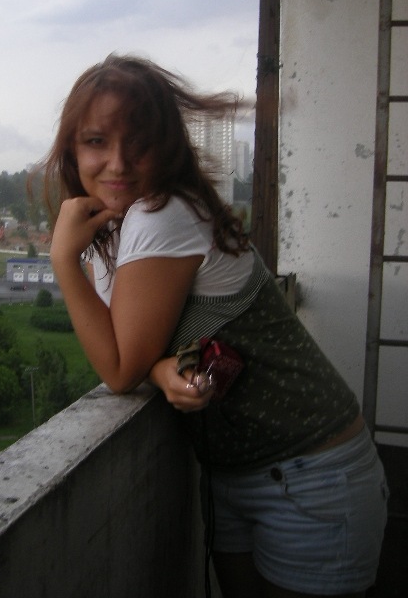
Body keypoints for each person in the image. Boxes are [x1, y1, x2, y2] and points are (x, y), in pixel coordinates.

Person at [40, 53, 388, 598]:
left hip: (312, 474)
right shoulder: (118, 228)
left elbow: (119, 368)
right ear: (72, 149)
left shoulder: (161, 213)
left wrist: (62, 259)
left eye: (140, 141)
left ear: (168, 146)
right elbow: (138, 350)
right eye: (96, 141)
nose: (118, 162)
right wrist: (161, 369)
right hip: (237, 475)